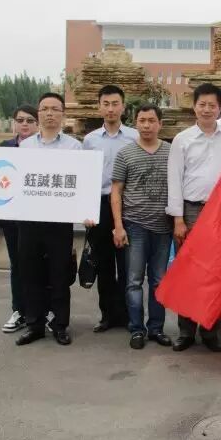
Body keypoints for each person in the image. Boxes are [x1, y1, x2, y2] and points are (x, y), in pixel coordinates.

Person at [167, 83, 221, 352]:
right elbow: (174, 179)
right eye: (202, 104)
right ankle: (186, 331)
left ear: (220, 108)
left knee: (216, 273)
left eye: (212, 105)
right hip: (191, 210)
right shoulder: (182, 139)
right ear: (194, 107)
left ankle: (210, 330)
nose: (207, 109)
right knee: (188, 272)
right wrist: (178, 218)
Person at [15, 92, 84, 347]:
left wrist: (85, 211)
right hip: (29, 222)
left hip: (59, 223)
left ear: (63, 114)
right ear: (39, 114)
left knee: (59, 275)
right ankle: (34, 324)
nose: (50, 113)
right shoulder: (25, 147)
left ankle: (60, 325)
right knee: (30, 274)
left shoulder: (74, 147)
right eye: (45, 109)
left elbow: (82, 183)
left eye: (55, 109)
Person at [111, 104, 173, 350]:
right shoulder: (125, 153)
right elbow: (116, 191)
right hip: (134, 225)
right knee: (134, 280)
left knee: (159, 281)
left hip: (163, 227)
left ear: (160, 124)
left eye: (151, 120)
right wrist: (118, 226)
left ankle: (156, 328)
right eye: (142, 120)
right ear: (135, 123)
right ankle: (136, 329)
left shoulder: (171, 152)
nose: (147, 125)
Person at [82, 85, 138, 333]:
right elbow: (85, 177)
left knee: (127, 264)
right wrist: (85, 210)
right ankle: (107, 315)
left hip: (128, 205)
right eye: (106, 104)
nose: (111, 109)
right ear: (99, 107)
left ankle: (126, 314)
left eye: (115, 104)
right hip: (99, 205)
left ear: (123, 107)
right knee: (103, 264)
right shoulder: (90, 140)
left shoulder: (134, 137)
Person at [0, 104, 38, 333]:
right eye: (20, 120)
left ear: (37, 124)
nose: (24, 124)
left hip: (39, 218)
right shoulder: (5, 147)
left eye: (30, 120)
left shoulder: (46, 149)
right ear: (14, 123)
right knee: (17, 264)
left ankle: (42, 311)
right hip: (12, 220)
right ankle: (19, 310)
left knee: (40, 266)